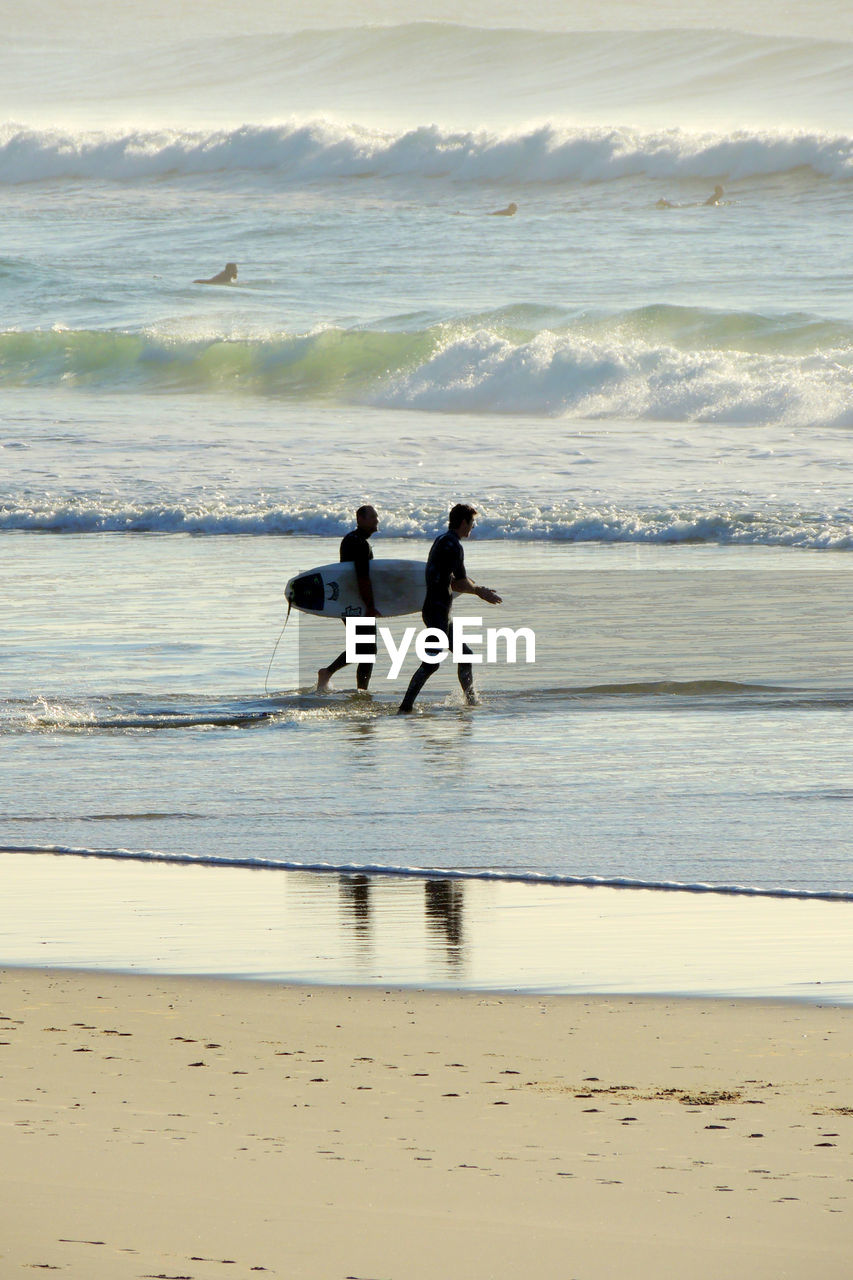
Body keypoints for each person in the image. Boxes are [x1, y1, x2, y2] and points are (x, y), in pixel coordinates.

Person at [398, 503, 501, 714]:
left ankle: (471, 701)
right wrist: (481, 592)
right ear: (463, 522)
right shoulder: (454, 546)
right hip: (438, 612)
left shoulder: (442, 540)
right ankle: (405, 707)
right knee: (431, 663)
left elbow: (453, 581)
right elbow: (461, 583)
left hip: (437, 610)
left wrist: (477, 588)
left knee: (465, 655)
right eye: (472, 523)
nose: (473, 527)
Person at [317, 505, 381, 692]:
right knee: (367, 649)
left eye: (376, 516)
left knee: (364, 647)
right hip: (356, 601)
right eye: (372, 517)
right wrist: (369, 605)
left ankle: (354, 685)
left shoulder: (350, 539)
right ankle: (356, 688)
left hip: (346, 599)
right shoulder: (360, 544)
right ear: (360, 519)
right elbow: (362, 577)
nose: (376, 520)